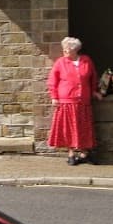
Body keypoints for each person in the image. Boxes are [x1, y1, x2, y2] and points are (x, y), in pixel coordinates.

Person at [47, 36, 104, 165]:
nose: (64, 51)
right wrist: (54, 96)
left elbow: (93, 77)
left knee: (83, 128)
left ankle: (84, 153)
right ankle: (71, 154)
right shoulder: (60, 62)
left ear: (75, 49)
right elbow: (52, 81)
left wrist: (94, 91)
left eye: (67, 49)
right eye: (64, 49)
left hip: (83, 100)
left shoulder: (86, 61)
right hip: (66, 101)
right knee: (69, 129)